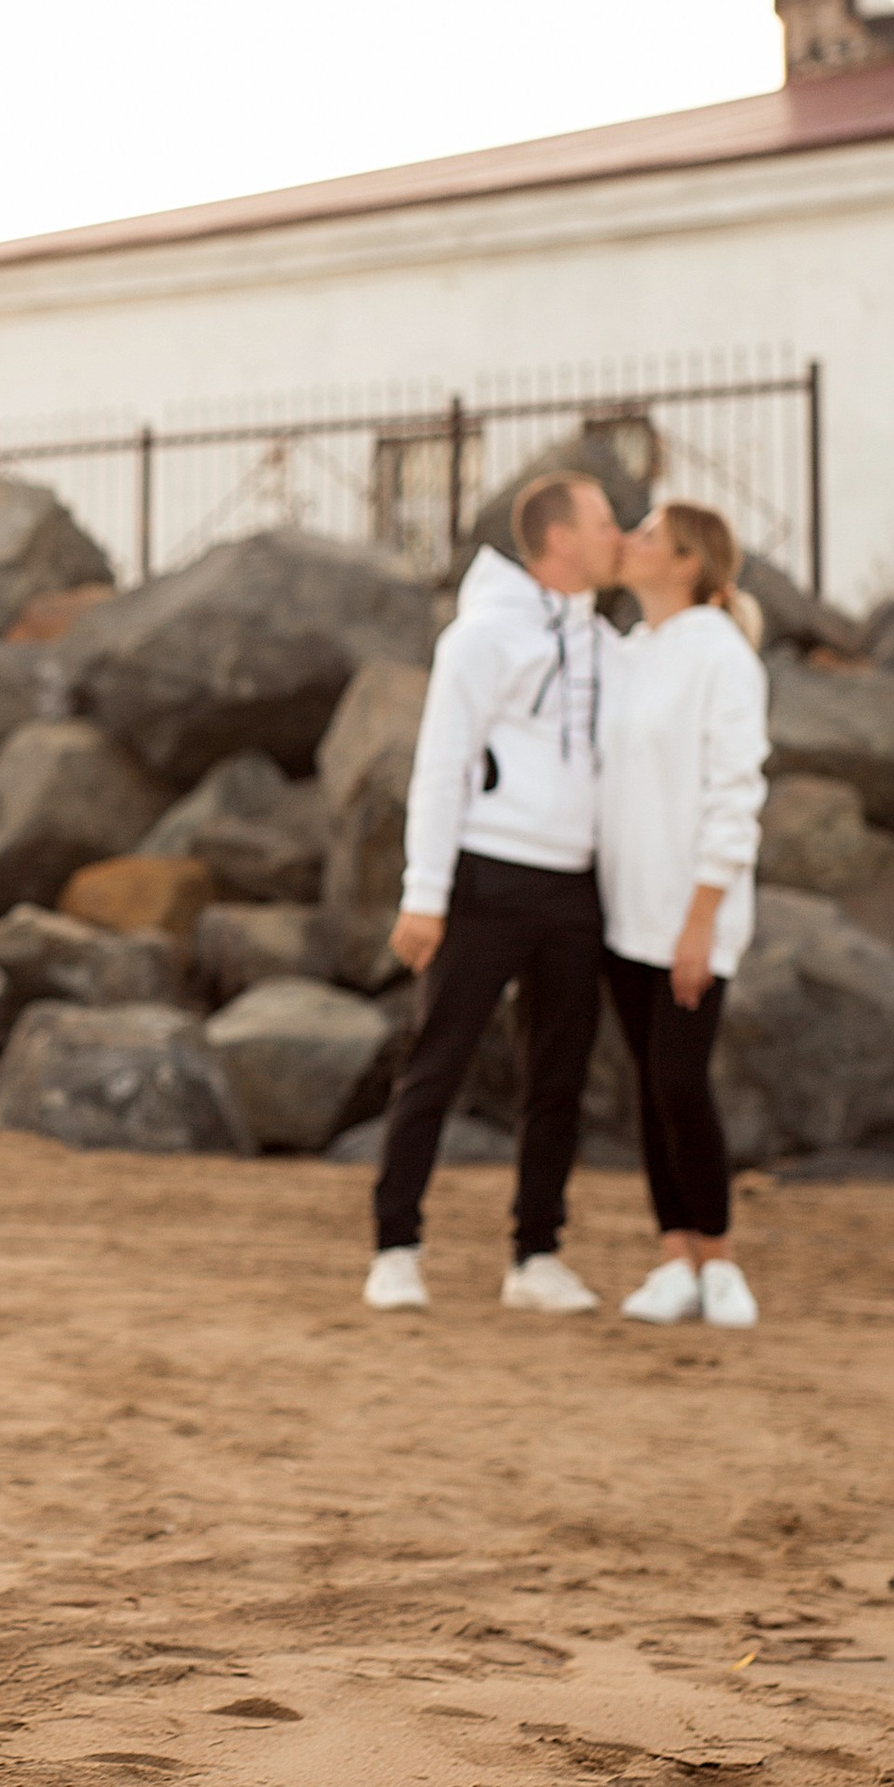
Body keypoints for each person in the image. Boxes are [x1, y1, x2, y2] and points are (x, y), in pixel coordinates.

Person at [365, 470, 625, 1314]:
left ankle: (536, 1256)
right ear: (560, 538)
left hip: (574, 887)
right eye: (603, 523)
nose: (617, 538)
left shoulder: (606, 645)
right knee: (437, 1061)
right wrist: (425, 893)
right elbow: (440, 765)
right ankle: (395, 1249)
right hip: (487, 878)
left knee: (558, 1076)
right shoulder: (481, 638)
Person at [597, 501, 770, 1329]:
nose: (628, 543)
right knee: (648, 1087)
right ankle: (673, 1259)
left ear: (687, 563)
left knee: (679, 1081)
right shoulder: (631, 652)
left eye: (646, 536)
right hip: (625, 914)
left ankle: (721, 1260)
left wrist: (701, 920)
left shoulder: (722, 657)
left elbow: (737, 794)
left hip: (693, 915)